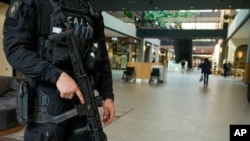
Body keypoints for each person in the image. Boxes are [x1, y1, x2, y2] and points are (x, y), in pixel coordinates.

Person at [3, 0, 115, 141]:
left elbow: (102, 57)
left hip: (85, 102)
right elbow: (15, 50)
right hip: (48, 108)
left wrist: (107, 96)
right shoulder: (31, 3)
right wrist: (57, 76)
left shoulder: (90, 10)